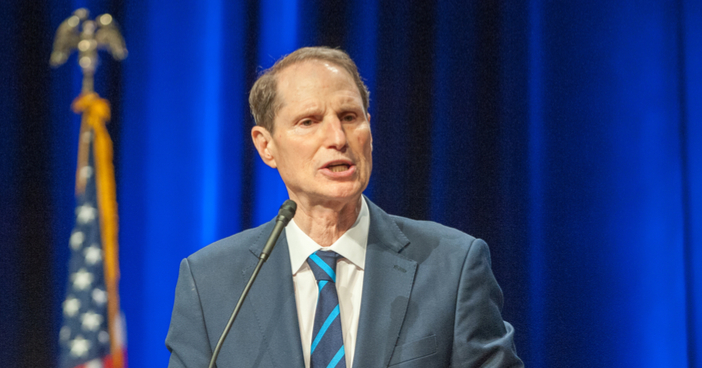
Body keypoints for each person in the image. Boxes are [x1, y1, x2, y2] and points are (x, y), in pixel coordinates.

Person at [166, 47, 523, 368]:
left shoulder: (452, 266)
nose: (337, 138)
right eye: (309, 122)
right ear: (266, 146)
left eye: (350, 117)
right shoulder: (211, 283)